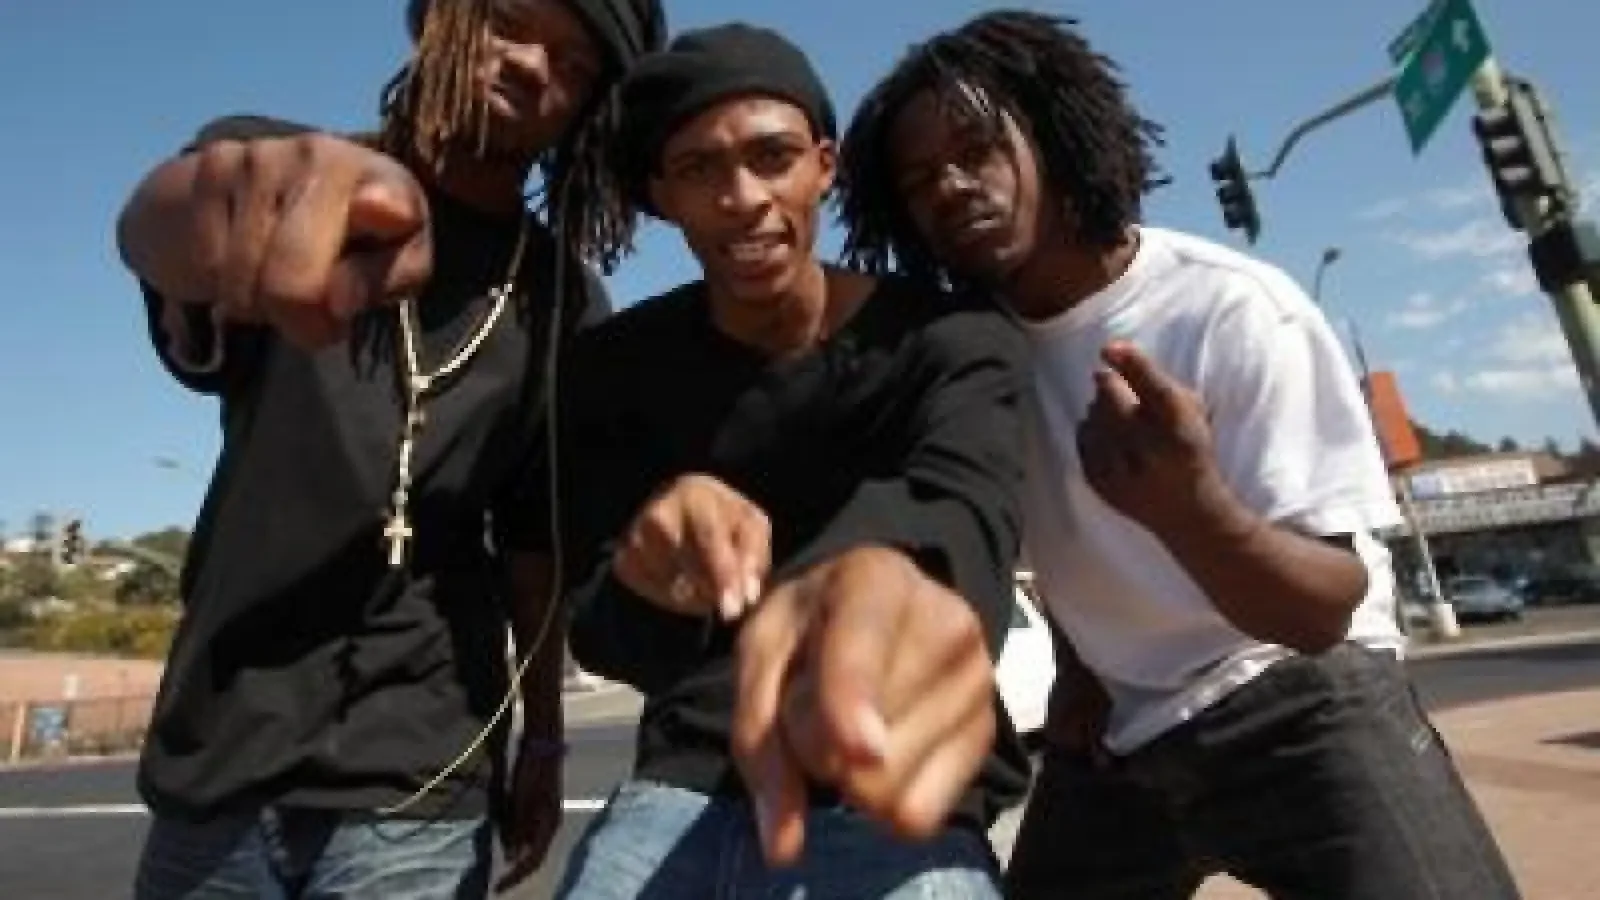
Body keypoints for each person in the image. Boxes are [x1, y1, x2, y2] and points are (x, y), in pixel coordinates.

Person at [836, 10, 1522, 899]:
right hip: (1122, 739)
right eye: (921, 178)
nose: (954, 186)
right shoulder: (971, 358)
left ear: (1051, 135)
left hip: (1301, 698)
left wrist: (1190, 508)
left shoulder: (1231, 309)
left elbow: (1322, 610)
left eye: (978, 149)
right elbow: (1075, 552)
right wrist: (1080, 672)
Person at [114, 0, 664, 896]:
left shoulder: (560, 299)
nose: (533, 65)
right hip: (221, 747)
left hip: (423, 777)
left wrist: (548, 738)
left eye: (573, 63)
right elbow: (167, 226)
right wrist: (168, 222)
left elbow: (534, 550)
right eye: (510, 23)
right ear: (436, 21)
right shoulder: (290, 177)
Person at [546, 22, 1032, 899]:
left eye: (772, 157)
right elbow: (595, 628)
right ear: (661, 196)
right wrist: (644, 577)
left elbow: (970, 526)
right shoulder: (612, 371)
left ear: (823, 164)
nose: (741, 197)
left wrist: (891, 576)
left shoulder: (950, 341)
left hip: (888, 790)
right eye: (700, 170)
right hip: (680, 787)